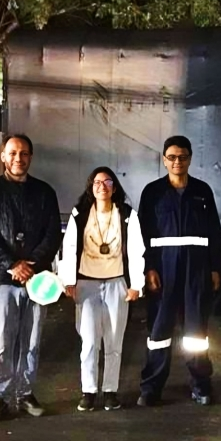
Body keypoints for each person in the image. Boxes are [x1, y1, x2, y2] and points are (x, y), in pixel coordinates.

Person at [0, 134, 61, 421]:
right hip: (3, 278)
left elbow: (52, 234)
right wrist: (12, 263)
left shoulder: (45, 192)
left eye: (24, 153)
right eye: (12, 152)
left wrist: (32, 266)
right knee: (3, 341)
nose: (18, 158)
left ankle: (25, 394)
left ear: (31, 157)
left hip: (38, 281)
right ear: (3, 156)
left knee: (32, 340)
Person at [138, 135, 221, 406]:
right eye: (172, 157)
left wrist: (214, 268)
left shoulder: (202, 191)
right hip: (164, 269)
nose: (177, 162)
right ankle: (151, 388)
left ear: (190, 159)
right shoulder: (152, 192)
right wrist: (149, 267)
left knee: (196, 332)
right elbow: (143, 233)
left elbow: (213, 232)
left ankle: (200, 384)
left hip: (196, 270)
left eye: (182, 157)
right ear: (164, 160)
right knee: (159, 331)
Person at [60, 167, 145, 412]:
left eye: (107, 182)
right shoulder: (81, 213)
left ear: (114, 187)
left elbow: (137, 250)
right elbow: (70, 246)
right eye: (97, 182)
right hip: (87, 283)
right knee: (88, 341)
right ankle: (88, 391)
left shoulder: (127, 214)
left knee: (114, 340)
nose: (102, 186)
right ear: (91, 187)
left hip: (117, 283)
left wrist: (135, 284)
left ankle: (110, 391)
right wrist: (69, 280)